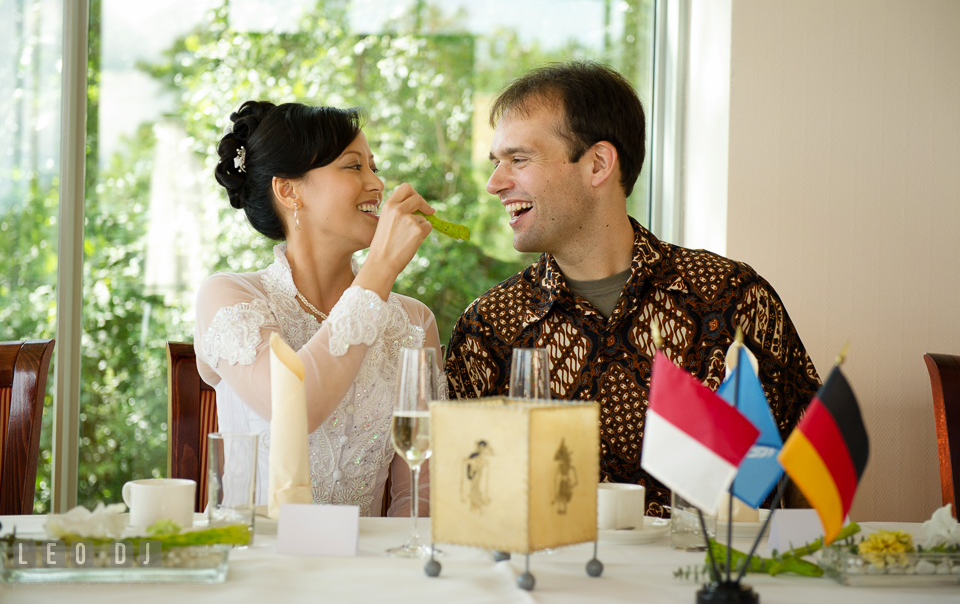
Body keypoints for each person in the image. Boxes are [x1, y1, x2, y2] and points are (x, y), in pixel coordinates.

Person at [444, 62, 820, 516]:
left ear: (598, 163)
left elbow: (806, 480)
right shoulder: (488, 326)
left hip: (706, 580)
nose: (494, 183)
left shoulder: (732, 298)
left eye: (518, 159)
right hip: (549, 584)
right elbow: (468, 503)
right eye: (496, 162)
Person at [194, 100, 439, 517]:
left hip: (369, 572)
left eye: (373, 167)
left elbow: (420, 493)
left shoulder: (414, 322)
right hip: (257, 563)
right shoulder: (228, 297)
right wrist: (381, 268)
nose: (377, 185)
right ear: (289, 190)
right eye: (353, 166)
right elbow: (296, 408)